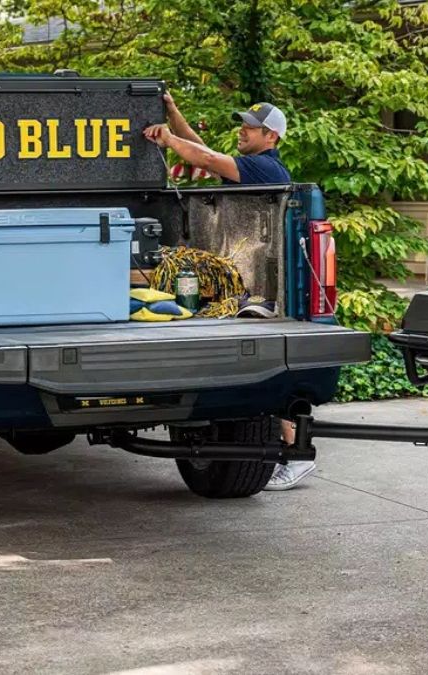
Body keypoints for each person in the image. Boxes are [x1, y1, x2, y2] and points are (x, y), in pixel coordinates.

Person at [145, 95, 314, 491]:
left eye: (250, 127)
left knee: (274, 378)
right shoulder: (253, 165)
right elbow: (205, 152)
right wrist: (173, 115)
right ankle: (293, 450)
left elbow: (203, 160)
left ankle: (296, 456)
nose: (242, 130)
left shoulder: (264, 167)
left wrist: (168, 139)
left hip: (265, 281)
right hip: (256, 275)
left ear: (270, 136)